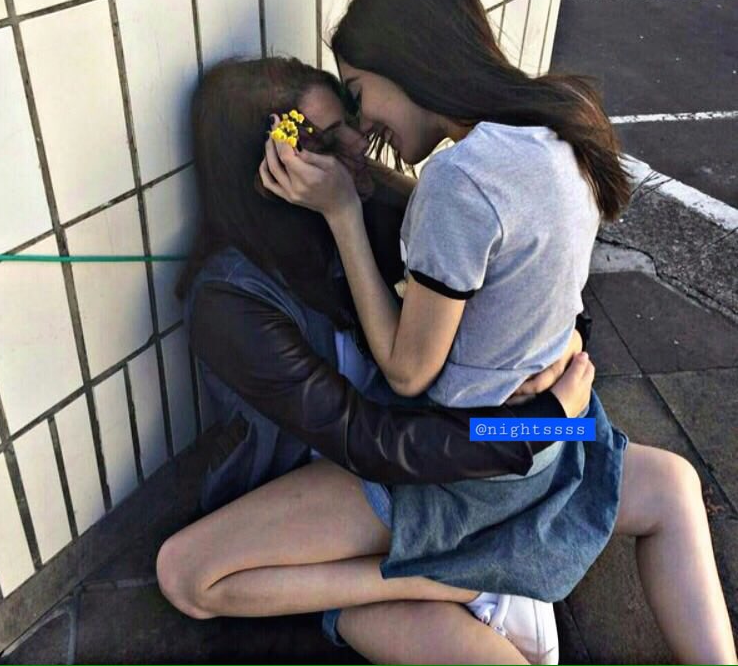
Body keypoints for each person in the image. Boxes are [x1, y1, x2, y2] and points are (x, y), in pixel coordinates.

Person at [257, 0, 737, 664]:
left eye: (358, 95)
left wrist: (341, 214)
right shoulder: (560, 125)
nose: (363, 122)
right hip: (552, 428)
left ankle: (483, 575)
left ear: (406, 62)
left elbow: (409, 371)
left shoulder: (459, 181)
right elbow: (512, 250)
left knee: (280, 584)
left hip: (479, 451)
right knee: (673, 484)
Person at [156, 56, 594, 665]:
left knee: (185, 572)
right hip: (384, 457)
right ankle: (461, 578)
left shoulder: (368, 206)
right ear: (276, 168)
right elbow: (366, 439)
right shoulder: (232, 300)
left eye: (352, 119)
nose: (361, 144)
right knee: (182, 571)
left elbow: (523, 281)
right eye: (331, 138)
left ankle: (464, 575)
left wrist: (563, 361)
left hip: (425, 457)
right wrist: (535, 427)